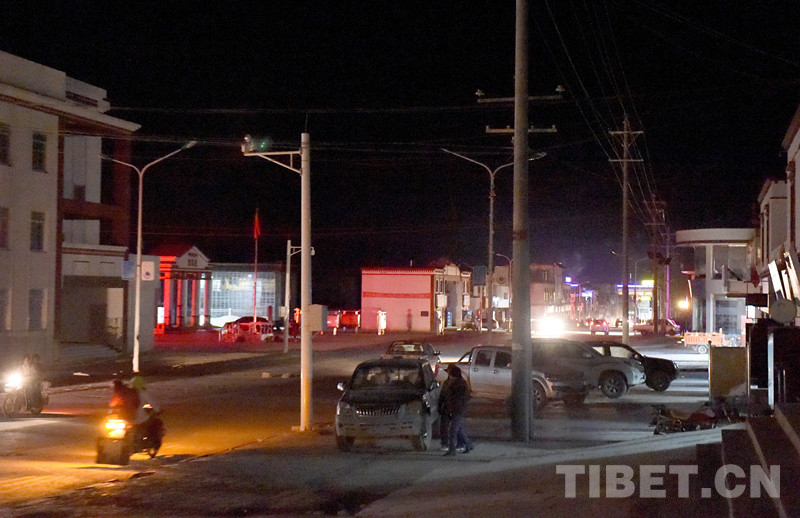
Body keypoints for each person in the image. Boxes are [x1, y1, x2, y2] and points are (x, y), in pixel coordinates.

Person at [440, 364, 472, 456]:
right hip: (452, 409)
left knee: (453, 430)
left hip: (457, 410)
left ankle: (452, 450)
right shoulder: (450, 383)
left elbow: (460, 399)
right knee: (458, 429)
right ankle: (468, 445)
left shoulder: (460, 385)